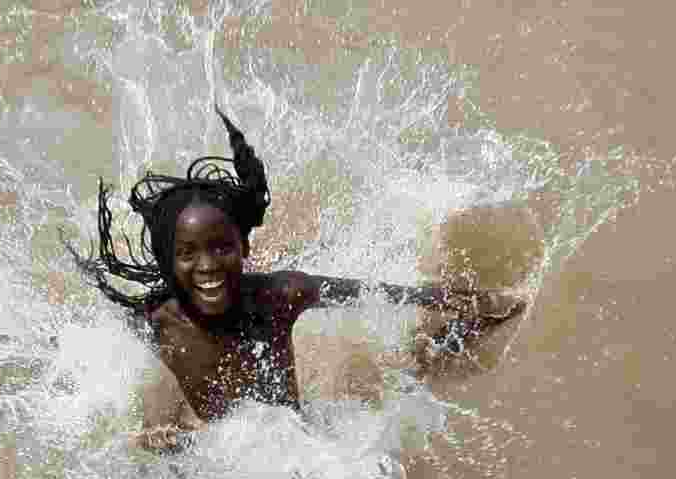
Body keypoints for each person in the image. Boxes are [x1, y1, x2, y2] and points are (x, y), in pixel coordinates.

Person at [66, 107, 525, 452]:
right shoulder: (158, 321)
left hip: (297, 452)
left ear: (244, 248)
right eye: (187, 254)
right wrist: (155, 431)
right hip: (212, 450)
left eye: (222, 247)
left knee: (413, 369)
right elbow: (141, 378)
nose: (206, 265)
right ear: (168, 263)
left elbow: (378, 295)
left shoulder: (281, 295)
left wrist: (470, 300)